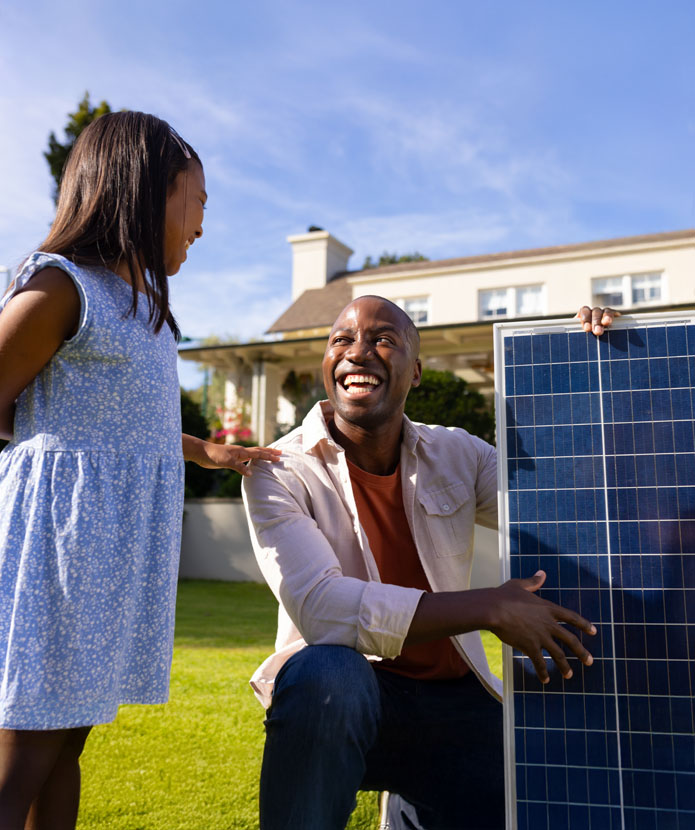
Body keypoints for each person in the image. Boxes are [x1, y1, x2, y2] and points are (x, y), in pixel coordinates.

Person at [0, 111, 280, 830]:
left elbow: (127, 423)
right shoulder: (67, 287)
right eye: (200, 202)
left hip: (107, 559)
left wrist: (201, 450)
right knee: (21, 759)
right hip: (59, 555)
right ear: (145, 190)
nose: (202, 225)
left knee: (66, 747)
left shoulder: (146, 309)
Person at [242, 296, 615, 830]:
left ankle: (414, 804)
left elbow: (559, 495)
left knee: (531, 798)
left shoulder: (459, 454)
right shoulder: (276, 471)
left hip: (454, 701)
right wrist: (489, 606)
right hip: (344, 698)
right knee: (328, 669)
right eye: (341, 340)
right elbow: (324, 611)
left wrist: (590, 365)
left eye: (384, 340)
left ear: (414, 373)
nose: (358, 353)